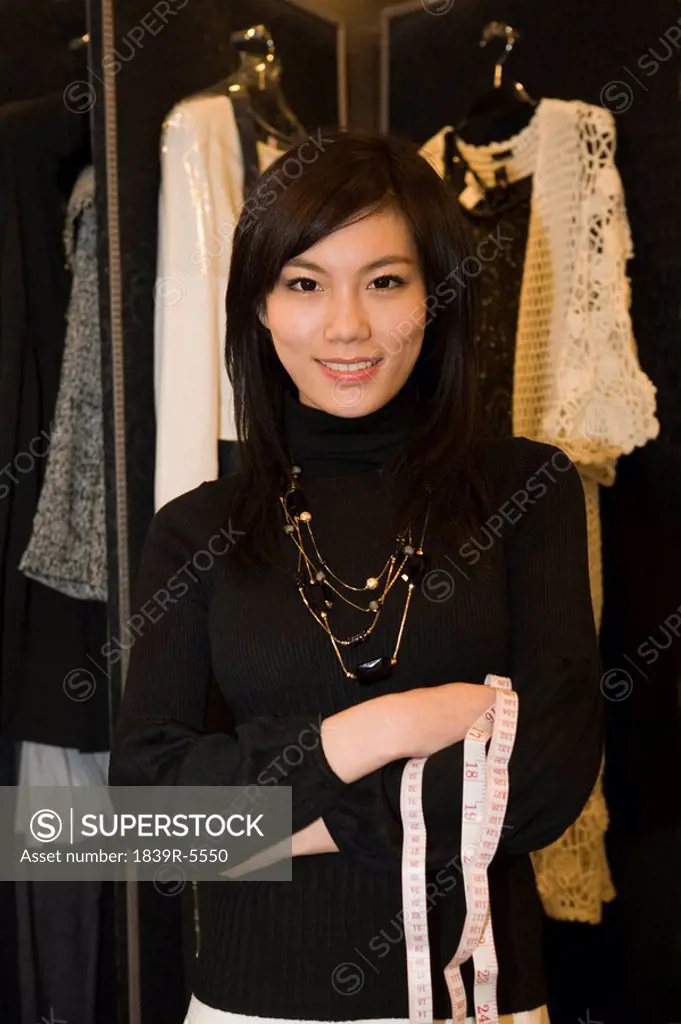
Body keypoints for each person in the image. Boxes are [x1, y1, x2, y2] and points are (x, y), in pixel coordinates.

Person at [108, 128, 603, 1024]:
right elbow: (145, 823)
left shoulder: (527, 489)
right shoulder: (194, 530)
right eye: (304, 283)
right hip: (253, 1005)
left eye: (384, 282)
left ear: (436, 297)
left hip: (477, 997)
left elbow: (541, 786)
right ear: (258, 304)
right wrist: (388, 727)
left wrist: (280, 824)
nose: (345, 325)